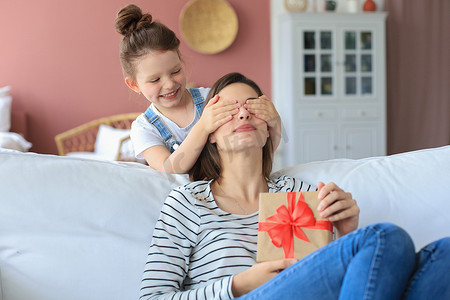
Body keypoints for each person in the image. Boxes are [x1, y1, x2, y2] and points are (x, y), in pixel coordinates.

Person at [139, 73, 450, 299]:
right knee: (385, 236)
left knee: (444, 254)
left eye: (253, 107)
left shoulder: (298, 193)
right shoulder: (188, 201)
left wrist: (346, 233)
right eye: (228, 111)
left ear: (268, 132)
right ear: (210, 136)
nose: (244, 111)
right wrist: (239, 284)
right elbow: (151, 297)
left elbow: (329, 283)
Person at [115, 4, 281, 173]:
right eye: (155, 79)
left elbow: (256, 150)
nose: (169, 84)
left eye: (175, 71)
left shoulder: (214, 98)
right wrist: (203, 127)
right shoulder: (144, 128)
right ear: (134, 85)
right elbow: (169, 168)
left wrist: (275, 123)